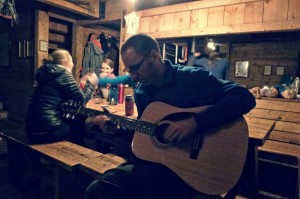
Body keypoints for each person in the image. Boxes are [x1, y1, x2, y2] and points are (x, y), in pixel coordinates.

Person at [84, 33, 256, 199]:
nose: (133, 76)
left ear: (154, 56)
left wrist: (196, 122)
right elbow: (149, 135)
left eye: (135, 68)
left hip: (190, 172)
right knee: (98, 189)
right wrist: (116, 129)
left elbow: (244, 97)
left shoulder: (190, 78)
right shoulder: (142, 91)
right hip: (158, 166)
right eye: (129, 70)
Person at [25, 49, 98, 145]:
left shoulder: (47, 72)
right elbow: (81, 99)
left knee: (76, 120)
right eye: (72, 61)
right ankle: (77, 154)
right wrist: (91, 84)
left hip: (31, 129)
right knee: (78, 124)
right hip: (47, 131)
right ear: (65, 62)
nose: (73, 64)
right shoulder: (63, 73)